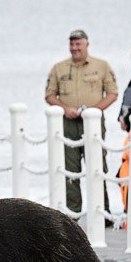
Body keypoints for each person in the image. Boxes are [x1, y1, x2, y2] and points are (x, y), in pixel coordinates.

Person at [44, 29, 119, 213]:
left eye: (78, 43)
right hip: (68, 123)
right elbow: (49, 95)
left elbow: (112, 93)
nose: (74, 47)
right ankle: (73, 214)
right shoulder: (59, 68)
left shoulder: (101, 66)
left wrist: (94, 111)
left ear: (87, 44)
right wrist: (65, 109)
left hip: (93, 123)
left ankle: (103, 212)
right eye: (72, 44)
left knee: (97, 166)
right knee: (70, 169)